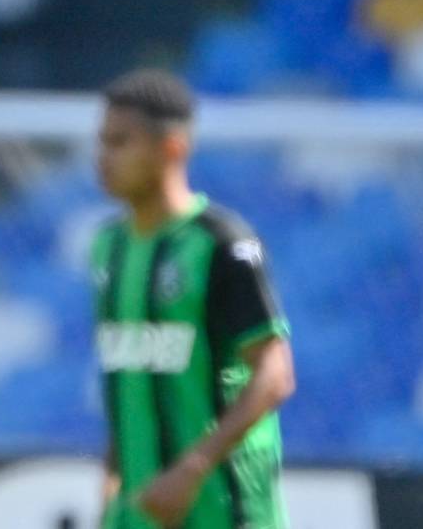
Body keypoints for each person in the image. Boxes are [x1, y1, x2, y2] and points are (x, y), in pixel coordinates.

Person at [91, 69, 295, 529]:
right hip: (141, 508)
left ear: (172, 148)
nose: (103, 156)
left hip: (224, 506)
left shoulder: (221, 243)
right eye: (102, 141)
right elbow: (128, 383)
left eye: (120, 142)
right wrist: (110, 484)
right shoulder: (108, 248)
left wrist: (192, 469)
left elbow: (275, 374)